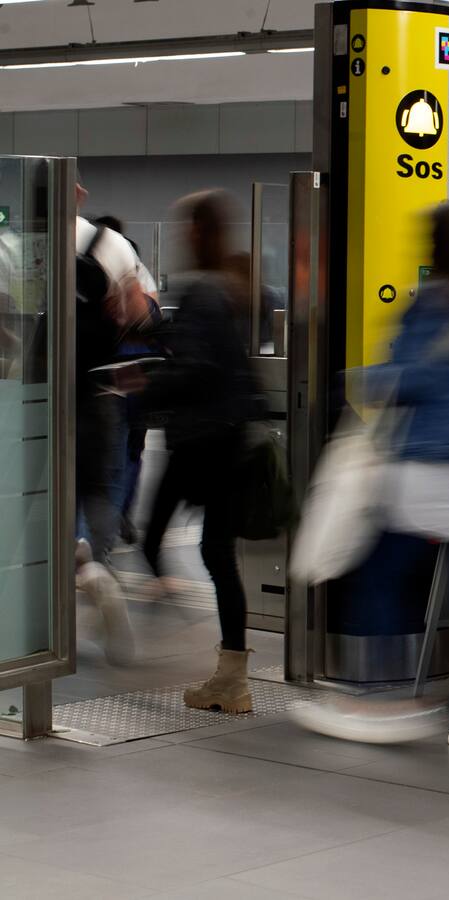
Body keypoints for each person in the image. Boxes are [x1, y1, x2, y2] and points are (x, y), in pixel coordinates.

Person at [296, 204, 449, 754]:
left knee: (380, 574)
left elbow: (414, 377)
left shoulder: (432, 303)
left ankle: (378, 701)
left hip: (437, 466)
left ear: (434, 249)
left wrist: (358, 379)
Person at [140, 190, 261, 712]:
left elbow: (195, 370)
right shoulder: (231, 289)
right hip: (228, 442)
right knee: (217, 555)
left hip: (201, 444)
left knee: (156, 536)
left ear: (195, 230)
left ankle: (222, 671)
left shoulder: (202, 292)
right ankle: (232, 679)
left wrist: (143, 387)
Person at [75, 184, 151, 665]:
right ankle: (97, 568)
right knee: (100, 491)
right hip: (99, 391)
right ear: (79, 193)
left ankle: (57, 583)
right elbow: (141, 314)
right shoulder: (111, 243)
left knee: (38, 497)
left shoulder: (19, 243)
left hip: (39, 394)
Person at [91, 214, 161, 546]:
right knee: (128, 452)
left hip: (104, 376)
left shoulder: (85, 263)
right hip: (133, 377)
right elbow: (150, 315)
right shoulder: (133, 265)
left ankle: (97, 532)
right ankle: (117, 517)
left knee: (106, 458)